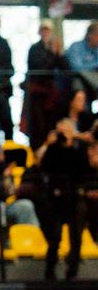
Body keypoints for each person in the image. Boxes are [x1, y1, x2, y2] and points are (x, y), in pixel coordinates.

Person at [36, 117, 87, 281]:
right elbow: (43, 166)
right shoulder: (53, 150)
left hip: (74, 196)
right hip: (56, 198)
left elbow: (83, 170)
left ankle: (73, 270)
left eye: (68, 129)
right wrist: (50, 144)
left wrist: (73, 143)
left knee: (76, 236)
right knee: (55, 235)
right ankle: (50, 269)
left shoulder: (79, 149)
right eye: (62, 130)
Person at [22, 23, 68, 147]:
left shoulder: (54, 48)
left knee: (50, 124)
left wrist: (59, 53)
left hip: (51, 96)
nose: (46, 33)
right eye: (43, 30)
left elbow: (65, 68)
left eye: (48, 30)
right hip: (37, 94)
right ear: (39, 31)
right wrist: (52, 53)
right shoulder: (34, 49)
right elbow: (40, 70)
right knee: (38, 126)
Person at [65, 20, 98, 101]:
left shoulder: (96, 49)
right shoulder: (76, 47)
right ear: (90, 35)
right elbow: (76, 68)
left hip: (91, 81)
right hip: (73, 79)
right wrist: (95, 65)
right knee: (79, 88)